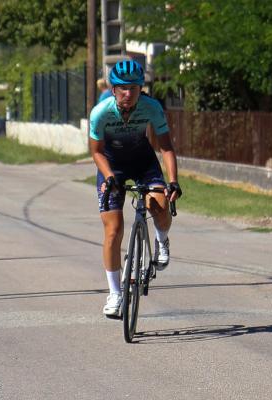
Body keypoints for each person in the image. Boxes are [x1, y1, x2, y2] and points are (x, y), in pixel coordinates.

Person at [89, 60, 182, 317]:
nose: (128, 93)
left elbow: (166, 147)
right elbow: (95, 152)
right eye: (122, 88)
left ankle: (162, 240)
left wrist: (173, 181)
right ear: (113, 89)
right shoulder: (101, 112)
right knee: (113, 230)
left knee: (160, 203)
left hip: (142, 161)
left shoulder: (152, 108)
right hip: (112, 165)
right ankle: (116, 294)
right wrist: (109, 177)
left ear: (141, 88)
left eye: (134, 87)